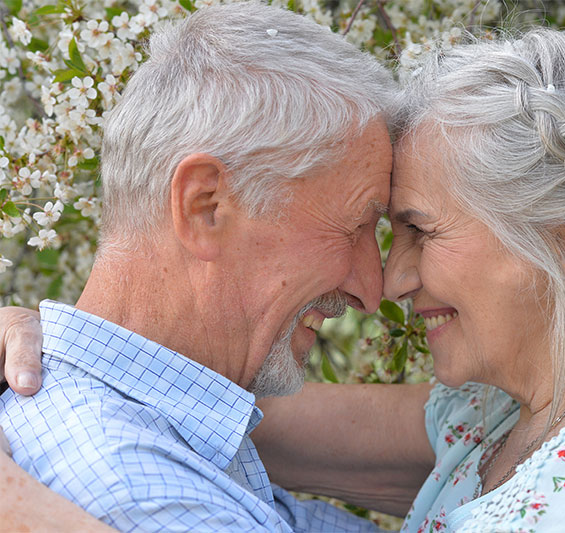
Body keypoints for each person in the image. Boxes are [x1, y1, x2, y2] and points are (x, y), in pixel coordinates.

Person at [1, 19, 565, 533]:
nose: (380, 284)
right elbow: (199, 410)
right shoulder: (488, 420)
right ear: (205, 204)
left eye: (415, 228)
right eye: (367, 226)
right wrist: (65, 347)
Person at [0, 2, 400, 531]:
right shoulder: (146, 497)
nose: (372, 291)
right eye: (354, 226)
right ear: (205, 206)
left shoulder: (173, 430)